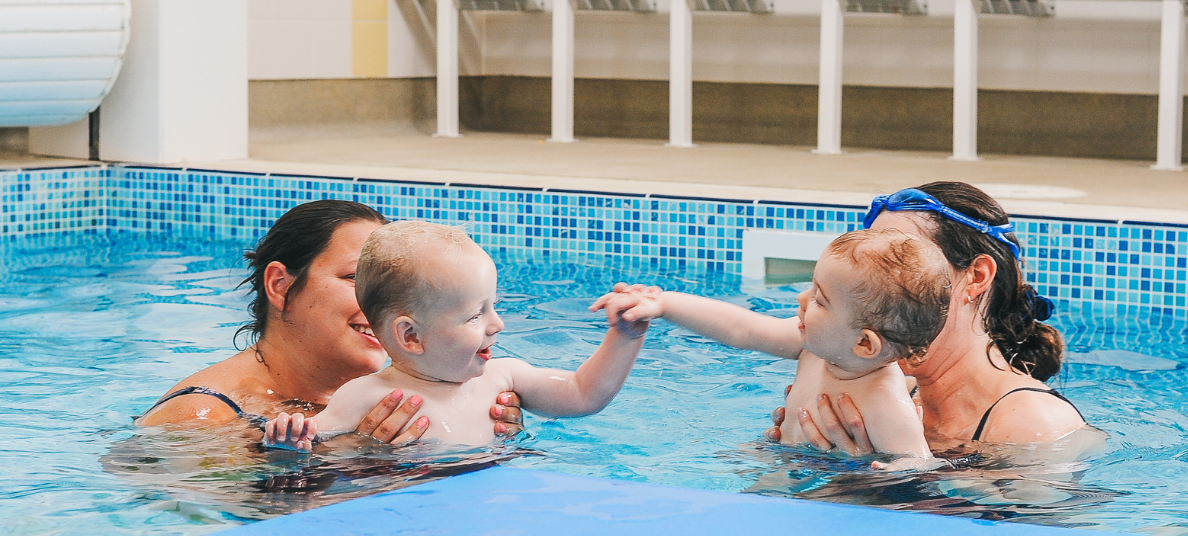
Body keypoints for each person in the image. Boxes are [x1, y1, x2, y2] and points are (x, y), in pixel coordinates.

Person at [135, 200, 524, 444]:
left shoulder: (400, 391)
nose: (382, 307)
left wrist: (481, 426)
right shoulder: (200, 418)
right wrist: (358, 457)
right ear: (280, 285)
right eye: (356, 279)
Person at [264, 221, 649, 451]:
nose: (497, 324)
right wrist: (287, 443)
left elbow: (585, 394)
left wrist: (625, 337)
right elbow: (314, 446)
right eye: (475, 315)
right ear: (411, 336)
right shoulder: (366, 396)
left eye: (493, 307)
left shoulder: (504, 377)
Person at [771, 182, 1092, 455]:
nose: (872, 280)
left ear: (977, 276)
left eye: (898, 259)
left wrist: (880, 476)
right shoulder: (885, 392)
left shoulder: (1034, 425)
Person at [591, 229, 949, 460]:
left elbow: (917, 464)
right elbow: (739, 328)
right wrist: (664, 305)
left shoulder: (886, 402)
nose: (802, 297)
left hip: (840, 488)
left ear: (864, 344)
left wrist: (895, 473)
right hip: (786, 460)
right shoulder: (812, 345)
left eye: (820, 300)